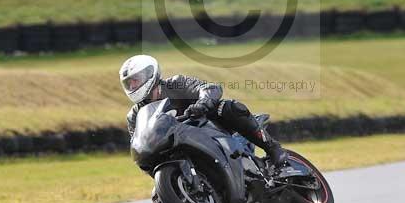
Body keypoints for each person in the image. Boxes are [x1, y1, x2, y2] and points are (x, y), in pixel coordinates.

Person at [120, 54, 288, 167]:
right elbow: (140, 147)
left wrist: (202, 104)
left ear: (151, 73)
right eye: (129, 83)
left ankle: (272, 147)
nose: (133, 86)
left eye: (136, 80)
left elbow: (210, 88)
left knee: (229, 107)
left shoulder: (176, 84)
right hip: (178, 145)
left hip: (209, 128)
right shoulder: (134, 116)